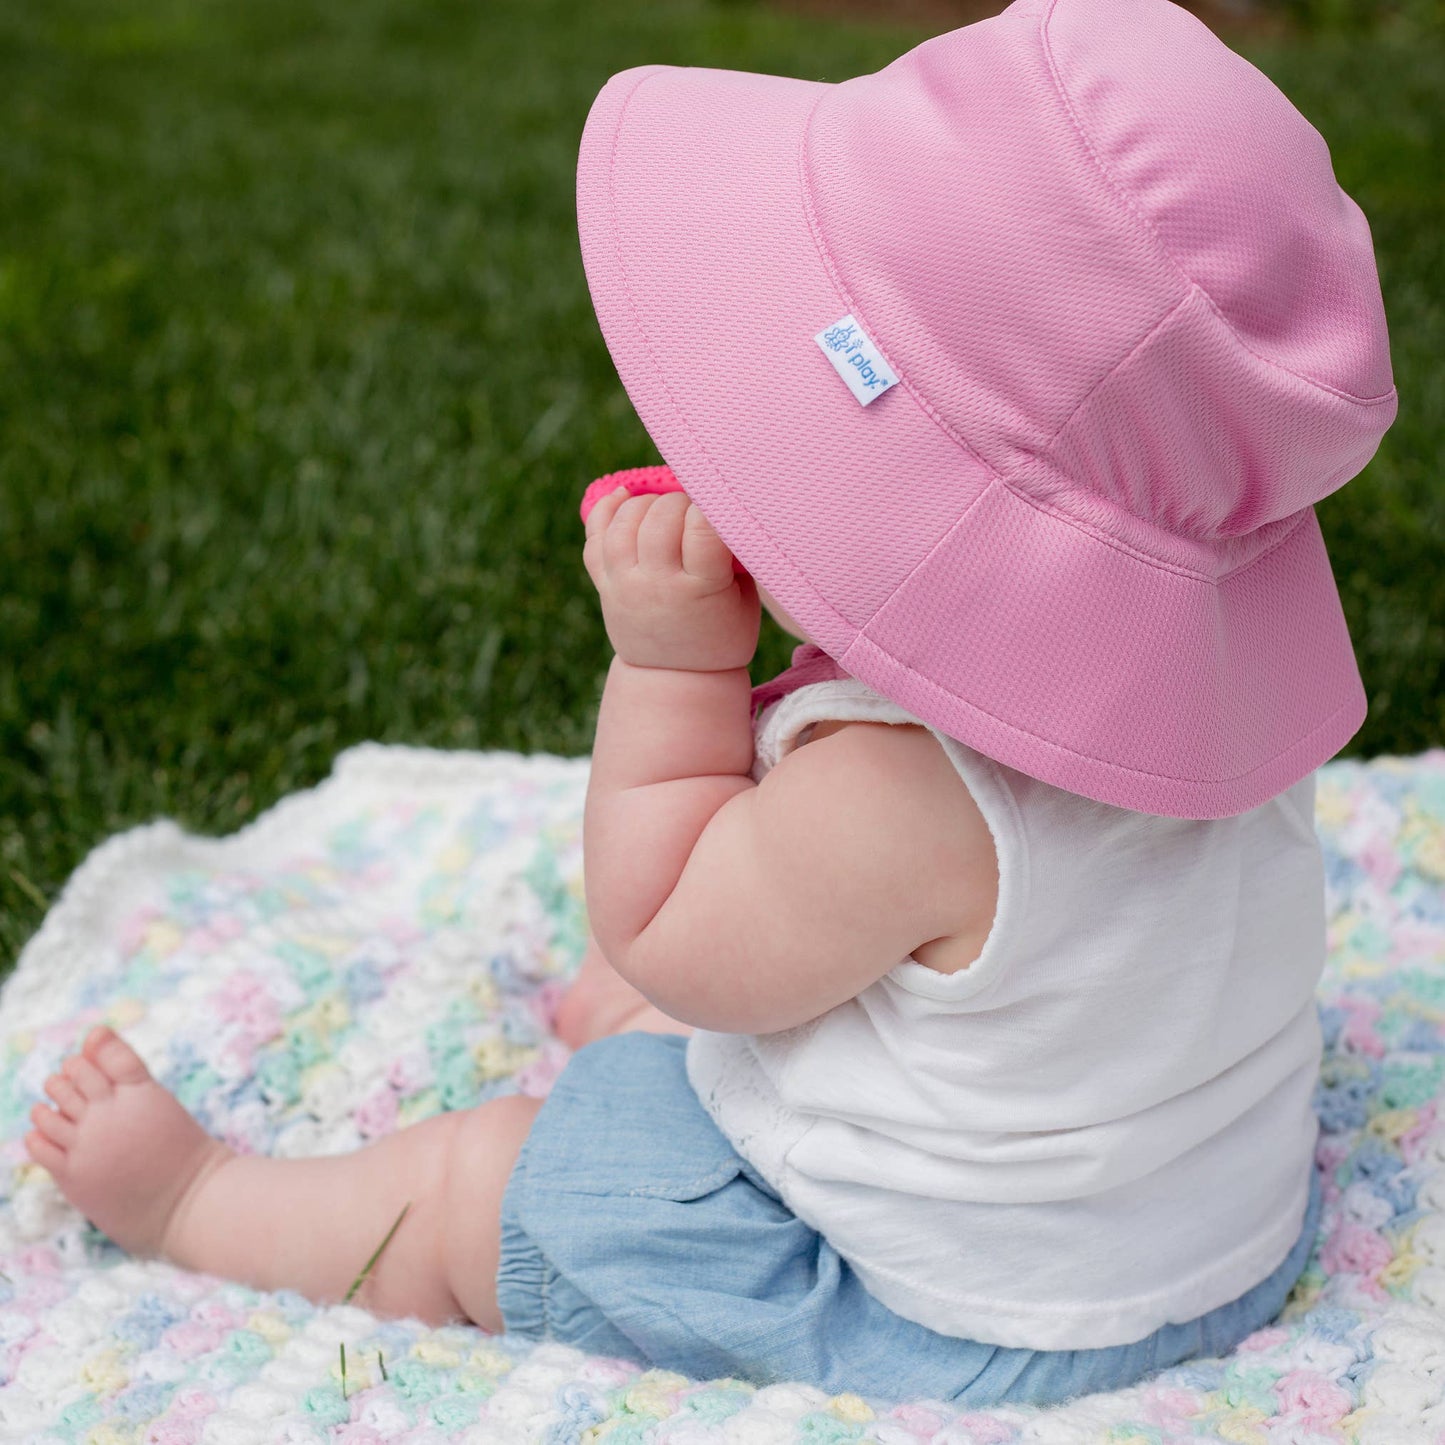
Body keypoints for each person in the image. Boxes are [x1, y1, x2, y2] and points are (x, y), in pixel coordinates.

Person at [24, 0, 1396, 1407]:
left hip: (942, 1316)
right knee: (777, 981)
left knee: (485, 1173)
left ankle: (194, 1201)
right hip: (1197, 1249)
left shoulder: (896, 790)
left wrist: (671, 662)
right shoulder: (1212, 709)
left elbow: (662, 924)